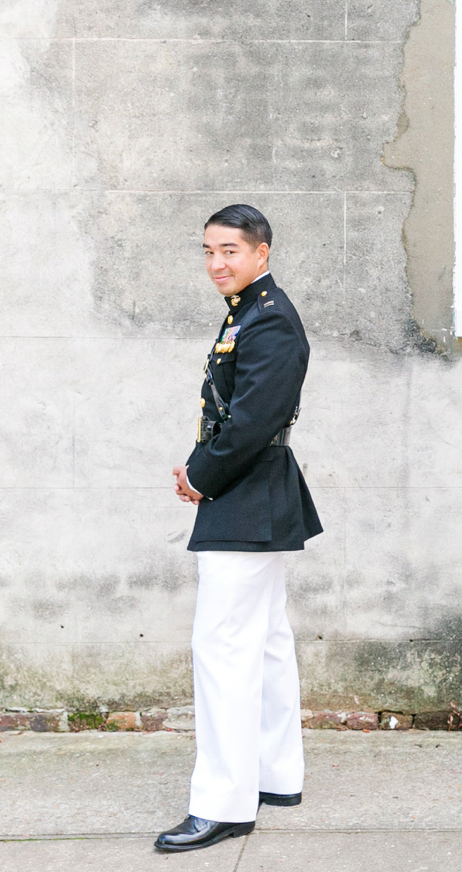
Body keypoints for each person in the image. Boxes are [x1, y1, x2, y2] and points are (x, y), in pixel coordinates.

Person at [155, 204, 323, 854]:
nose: (217, 263)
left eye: (230, 250)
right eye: (208, 251)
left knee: (222, 648)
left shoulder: (270, 321)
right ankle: (277, 775)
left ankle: (223, 803)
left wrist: (200, 475)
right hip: (250, 492)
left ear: (263, 252)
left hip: (246, 495)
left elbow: (251, 422)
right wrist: (204, 471)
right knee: (267, 640)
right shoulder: (249, 312)